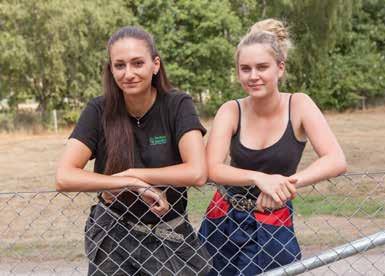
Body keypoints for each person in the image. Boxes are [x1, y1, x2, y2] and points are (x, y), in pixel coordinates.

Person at [56, 26, 211, 276]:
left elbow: (197, 172)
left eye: (138, 63)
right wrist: (133, 184)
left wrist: (134, 174)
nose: (128, 73)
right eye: (120, 65)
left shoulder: (177, 104)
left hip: (168, 232)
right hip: (113, 233)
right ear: (111, 69)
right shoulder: (98, 110)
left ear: (155, 64)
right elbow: (64, 177)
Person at [199, 18, 347, 275]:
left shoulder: (299, 105)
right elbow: (211, 168)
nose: (253, 76)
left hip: (272, 219)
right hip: (222, 218)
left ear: (280, 68)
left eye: (262, 67)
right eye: (245, 69)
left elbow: (335, 160)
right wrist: (260, 178)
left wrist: (283, 184)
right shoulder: (231, 110)